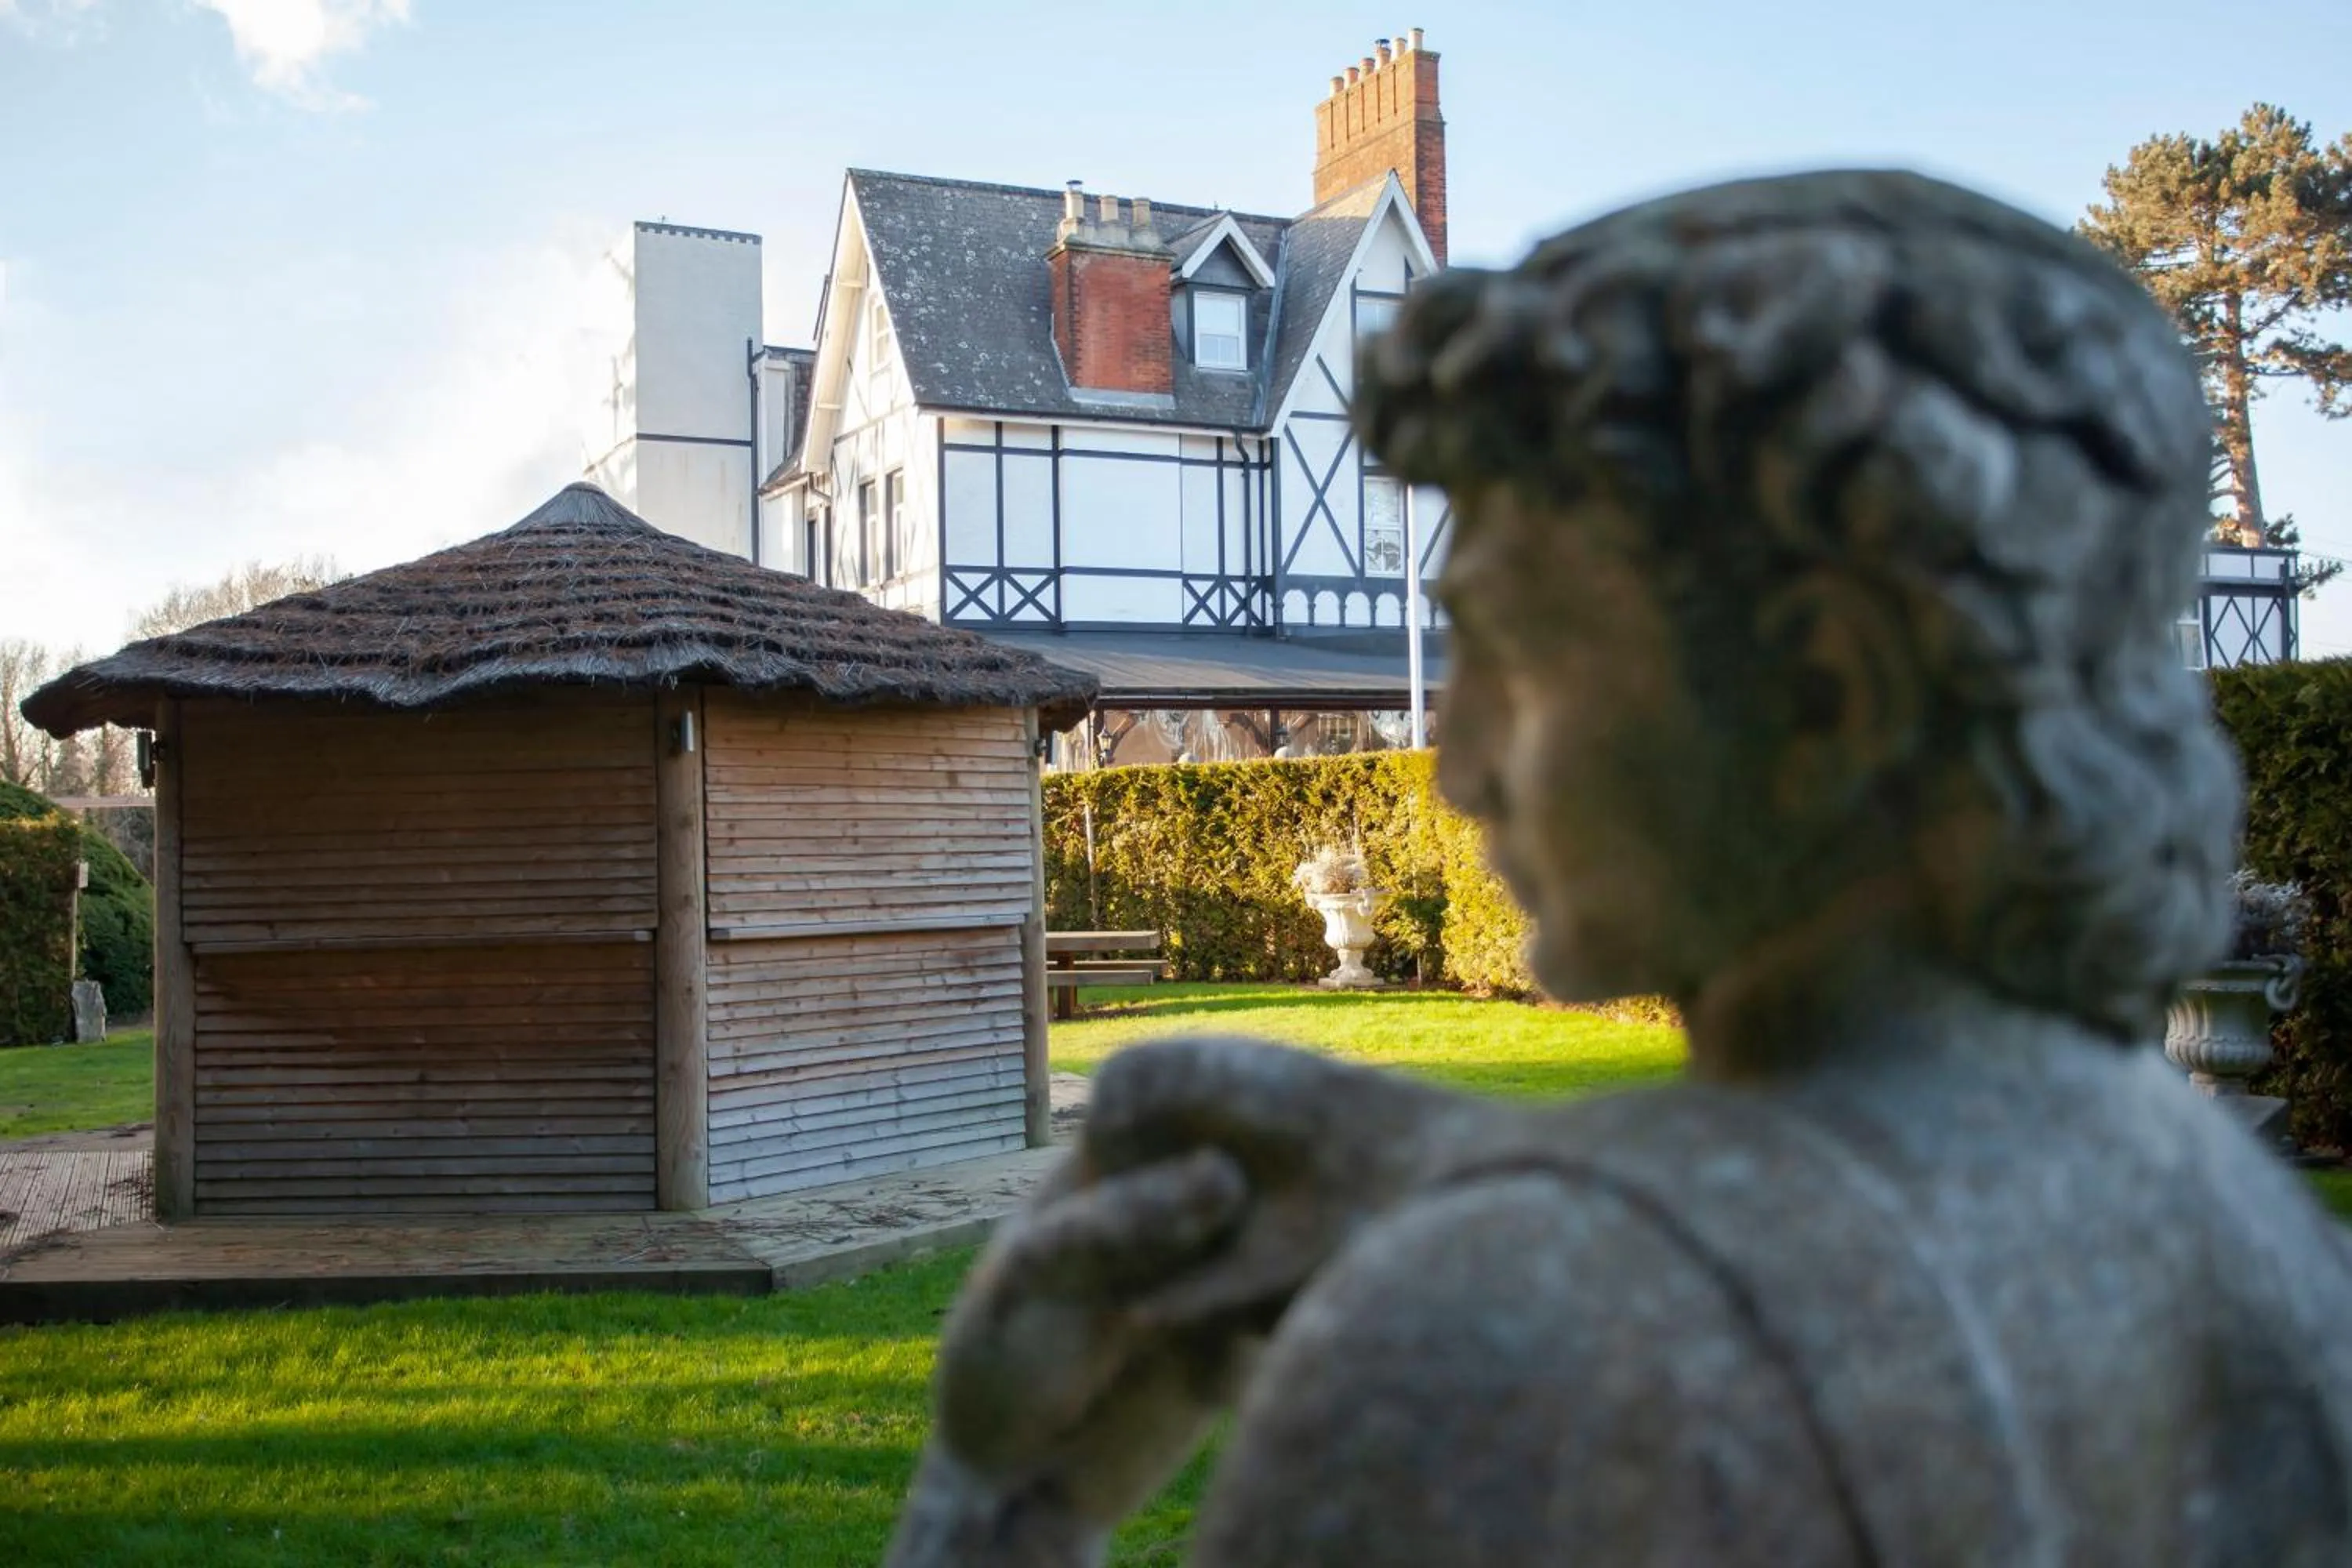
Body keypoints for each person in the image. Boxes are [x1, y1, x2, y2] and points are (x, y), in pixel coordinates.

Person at [885, 169, 2352, 1566]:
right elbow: (1844, 1247)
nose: (1460, 767)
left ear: (1824, 695)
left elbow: (1695, 1307)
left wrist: (1002, 1499)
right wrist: (1526, 1178)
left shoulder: (1504, 1341)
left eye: (1521, 650)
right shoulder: (2245, 1237)